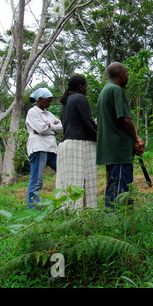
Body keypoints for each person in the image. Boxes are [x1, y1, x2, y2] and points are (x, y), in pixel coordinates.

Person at [96, 62, 145, 209]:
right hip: (119, 150)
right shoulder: (116, 90)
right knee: (120, 189)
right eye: (127, 74)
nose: (128, 77)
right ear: (121, 74)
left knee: (114, 185)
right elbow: (125, 119)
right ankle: (115, 222)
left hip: (110, 149)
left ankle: (124, 220)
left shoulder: (104, 91)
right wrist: (136, 138)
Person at [56, 75, 98, 209]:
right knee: (83, 179)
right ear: (81, 87)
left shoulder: (66, 101)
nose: (87, 89)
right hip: (80, 144)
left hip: (65, 144)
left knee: (68, 181)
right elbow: (88, 122)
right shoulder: (80, 98)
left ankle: (67, 211)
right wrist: (99, 135)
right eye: (86, 86)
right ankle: (82, 211)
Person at [25, 88, 63, 210]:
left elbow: (62, 127)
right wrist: (53, 127)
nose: (49, 103)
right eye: (48, 101)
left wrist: (49, 126)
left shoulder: (48, 114)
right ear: (39, 99)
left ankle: (65, 203)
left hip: (52, 148)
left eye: (51, 101)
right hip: (39, 148)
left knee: (63, 172)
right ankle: (34, 210)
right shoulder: (32, 112)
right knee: (37, 180)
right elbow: (41, 129)